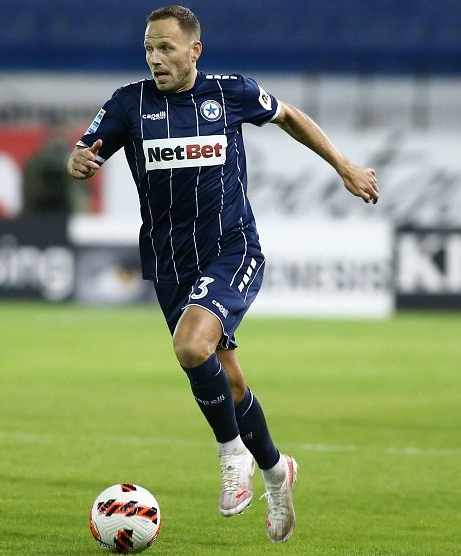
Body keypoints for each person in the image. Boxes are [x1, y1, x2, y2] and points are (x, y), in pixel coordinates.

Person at [68, 6, 378, 544]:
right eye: (148, 47)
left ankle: (232, 453)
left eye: (166, 47)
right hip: (170, 264)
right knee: (229, 382)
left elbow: (290, 116)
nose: (155, 58)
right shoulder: (128, 103)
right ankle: (277, 471)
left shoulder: (229, 93)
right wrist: (79, 161)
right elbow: (84, 148)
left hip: (232, 249)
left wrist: (344, 165)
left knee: (191, 347)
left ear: (195, 50)